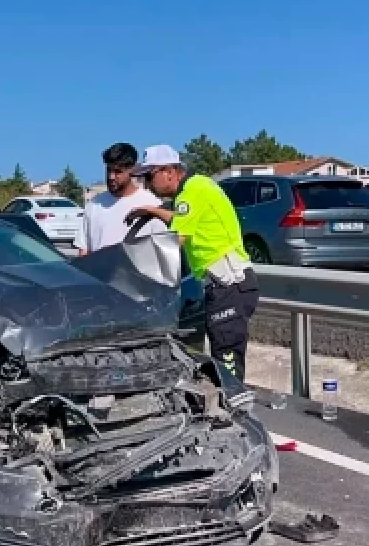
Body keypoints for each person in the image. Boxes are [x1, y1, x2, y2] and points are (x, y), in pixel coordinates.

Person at [125, 144, 259, 380]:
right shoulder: (195, 188)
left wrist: (133, 263)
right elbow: (182, 220)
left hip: (228, 283)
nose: (146, 184)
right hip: (225, 284)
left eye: (149, 176)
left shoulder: (192, 192)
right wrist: (153, 211)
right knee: (221, 355)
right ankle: (229, 405)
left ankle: (234, 409)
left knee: (226, 362)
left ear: (169, 171)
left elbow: (176, 238)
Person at [73, 142, 166, 256]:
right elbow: (84, 251)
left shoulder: (152, 204)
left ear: (133, 170)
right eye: (109, 170)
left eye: (118, 172)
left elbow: (161, 254)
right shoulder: (94, 205)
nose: (111, 177)